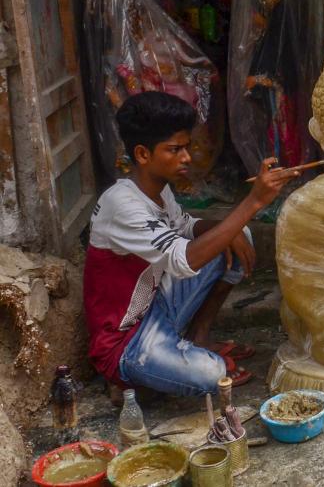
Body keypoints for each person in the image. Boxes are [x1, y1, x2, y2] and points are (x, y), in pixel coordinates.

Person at [83, 91, 298, 398]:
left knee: (238, 237)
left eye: (187, 147)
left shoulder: (157, 189)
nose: (186, 157)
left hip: (155, 305)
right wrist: (254, 202)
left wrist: (232, 227)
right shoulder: (122, 205)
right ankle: (127, 377)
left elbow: (186, 228)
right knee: (212, 374)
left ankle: (196, 338)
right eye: (175, 149)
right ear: (143, 154)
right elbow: (184, 259)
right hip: (124, 340)